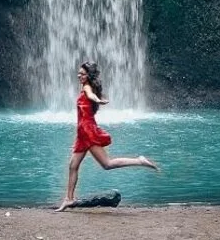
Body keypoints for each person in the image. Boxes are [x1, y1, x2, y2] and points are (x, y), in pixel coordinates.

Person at [56, 61, 159, 211]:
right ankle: (69, 199)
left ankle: (139, 161)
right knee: (73, 166)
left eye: (83, 74)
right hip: (83, 132)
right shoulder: (85, 87)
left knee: (107, 164)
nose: (79, 75)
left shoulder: (87, 87)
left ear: (89, 76)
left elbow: (91, 95)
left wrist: (97, 100)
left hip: (88, 132)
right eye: (79, 73)